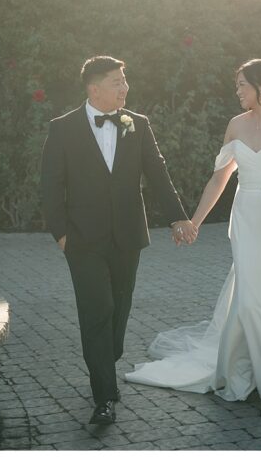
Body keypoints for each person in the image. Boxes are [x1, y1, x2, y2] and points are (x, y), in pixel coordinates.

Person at [124, 58, 261, 423]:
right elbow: (218, 180)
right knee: (252, 301)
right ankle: (245, 374)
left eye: (241, 85)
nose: (237, 91)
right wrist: (194, 222)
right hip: (246, 220)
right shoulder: (235, 125)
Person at [39, 55, 195, 428]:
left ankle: (105, 364)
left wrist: (178, 217)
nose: (125, 87)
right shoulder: (62, 129)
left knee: (119, 310)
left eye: (125, 81)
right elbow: (49, 187)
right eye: (116, 82)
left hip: (127, 236)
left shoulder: (137, 125)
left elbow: (157, 172)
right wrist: (61, 235)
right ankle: (104, 398)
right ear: (94, 88)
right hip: (82, 240)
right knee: (97, 313)